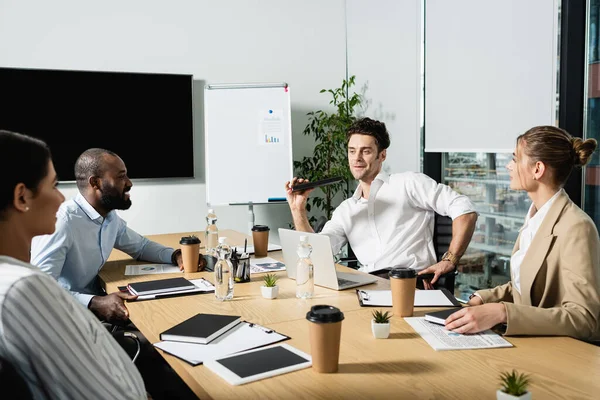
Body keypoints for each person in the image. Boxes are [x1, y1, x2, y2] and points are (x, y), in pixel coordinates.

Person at [0, 130, 147, 399]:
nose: (60, 198)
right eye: (53, 185)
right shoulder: (23, 289)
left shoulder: (17, 276)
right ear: (22, 197)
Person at [444, 126, 600, 341]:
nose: (509, 166)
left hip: (559, 354)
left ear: (537, 169)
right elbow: (525, 285)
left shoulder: (576, 227)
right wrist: (483, 297)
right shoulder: (535, 218)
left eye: (515, 159)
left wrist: (503, 312)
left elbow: (584, 319)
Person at [285, 117, 478, 288]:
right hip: (367, 286)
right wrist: (298, 209)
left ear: (382, 155)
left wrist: (450, 259)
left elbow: (464, 209)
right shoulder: (347, 209)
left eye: (365, 151)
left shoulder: (408, 183)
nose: (357, 158)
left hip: (409, 283)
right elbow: (315, 252)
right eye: (352, 151)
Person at [30, 148, 204, 324]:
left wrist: (175, 255)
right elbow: (38, 290)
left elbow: (141, 246)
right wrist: (93, 302)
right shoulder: (62, 222)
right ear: (96, 183)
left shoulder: (109, 217)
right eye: (121, 177)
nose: (129, 183)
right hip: (67, 317)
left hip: (97, 305)